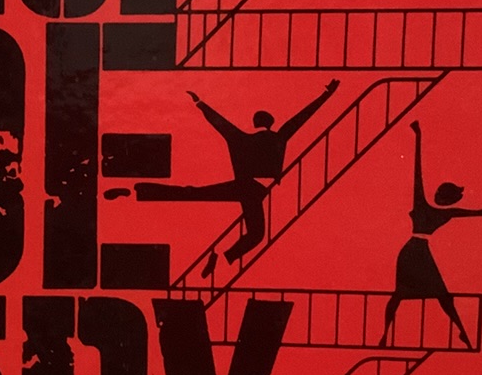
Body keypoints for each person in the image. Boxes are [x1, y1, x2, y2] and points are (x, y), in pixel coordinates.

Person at [129, 79, 340, 278]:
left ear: (255, 123)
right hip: (254, 191)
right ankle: (225, 257)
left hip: (244, 187)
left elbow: (220, 123)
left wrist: (200, 103)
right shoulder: (279, 137)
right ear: (270, 123)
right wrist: (326, 95)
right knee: (256, 234)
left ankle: (145, 191)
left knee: (196, 193)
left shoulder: (241, 139)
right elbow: (302, 117)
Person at [379, 121, 482, 350]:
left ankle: (460, 333)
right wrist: (418, 136)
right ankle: (386, 335)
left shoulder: (439, 211)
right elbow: (417, 172)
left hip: (416, 252)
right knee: (410, 294)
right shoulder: (432, 209)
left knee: (436, 295)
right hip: (414, 253)